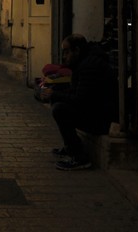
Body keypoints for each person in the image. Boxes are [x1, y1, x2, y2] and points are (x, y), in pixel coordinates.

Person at [40, 34, 118, 171]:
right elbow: (77, 92)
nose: (64, 56)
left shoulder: (90, 66)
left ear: (77, 50)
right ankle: (70, 146)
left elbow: (82, 100)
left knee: (60, 110)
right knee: (57, 99)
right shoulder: (84, 63)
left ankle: (79, 157)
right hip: (95, 111)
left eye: (67, 52)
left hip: (101, 118)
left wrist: (55, 94)